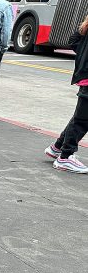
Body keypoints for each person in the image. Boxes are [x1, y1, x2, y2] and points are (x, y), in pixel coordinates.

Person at [45, 13, 88, 172]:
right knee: (82, 120)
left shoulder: (86, 25)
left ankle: (57, 147)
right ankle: (65, 157)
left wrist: (83, 57)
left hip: (84, 75)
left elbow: (73, 40)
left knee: (81, 116)